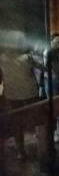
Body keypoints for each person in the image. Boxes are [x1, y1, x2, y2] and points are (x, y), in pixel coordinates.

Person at [0, 30, 46, 159]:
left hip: (11, 96)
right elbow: (43, 68)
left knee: (16, 124)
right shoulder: (28, 57)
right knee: (38, 120)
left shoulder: (2, 58)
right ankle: (43, 148)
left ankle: (21, 152)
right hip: (30, 94)